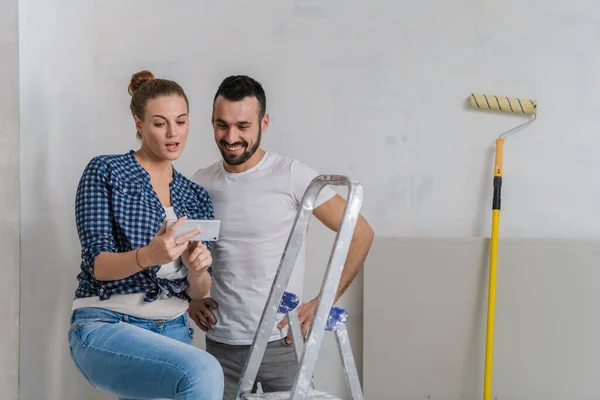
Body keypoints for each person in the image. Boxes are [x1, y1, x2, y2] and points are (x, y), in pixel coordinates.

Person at [188, 75, 374, 398]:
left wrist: (322, 302)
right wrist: (190, 299)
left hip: (281, 343)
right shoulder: (201, 182)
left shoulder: (292, 176)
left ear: (265, 122)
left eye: (243, 126)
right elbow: (185, 253)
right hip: (221, 346)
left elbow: (359, 233)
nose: (231, 137)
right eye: (222, 125)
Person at [67, 70, 224, 400]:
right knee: (204, 370)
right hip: (106, 324)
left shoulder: (195, 195)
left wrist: (197, 270)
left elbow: (199, 291)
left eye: (181, 122)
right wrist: (148, 256)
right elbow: (98, 264)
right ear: (138, 123)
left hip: (173, 330)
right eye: (159, 123)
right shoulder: (106, 171)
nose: (172, 133)